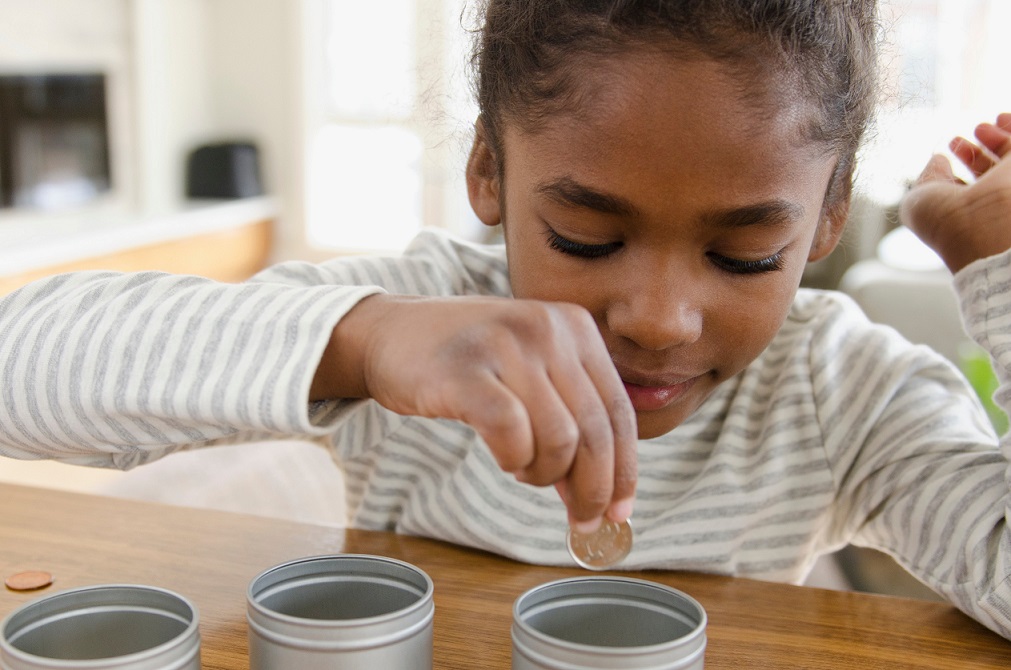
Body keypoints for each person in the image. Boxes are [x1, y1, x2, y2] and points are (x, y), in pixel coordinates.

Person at [1, 0, 1010, 639]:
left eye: (743, 254)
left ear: (829, 215)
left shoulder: (845, 392)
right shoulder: (432, 322)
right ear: (489, 169)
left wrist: (1000, 263)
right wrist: (362, 340)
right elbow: (21, 369)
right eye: (583, 235)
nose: (659, 321)